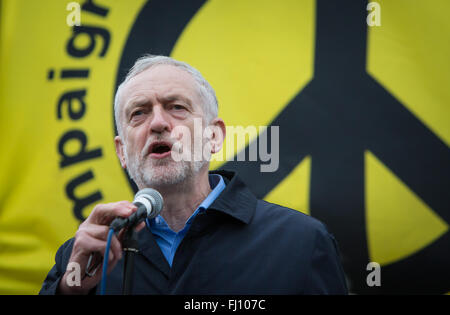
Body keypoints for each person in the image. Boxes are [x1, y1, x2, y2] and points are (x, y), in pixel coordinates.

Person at [39, 55, 348, 295]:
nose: (158, 123)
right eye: (139, 113)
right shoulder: (86, 255)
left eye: (177, 107)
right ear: (122, 151)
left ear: (214, 137)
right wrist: (70, 289)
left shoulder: (301, 242)